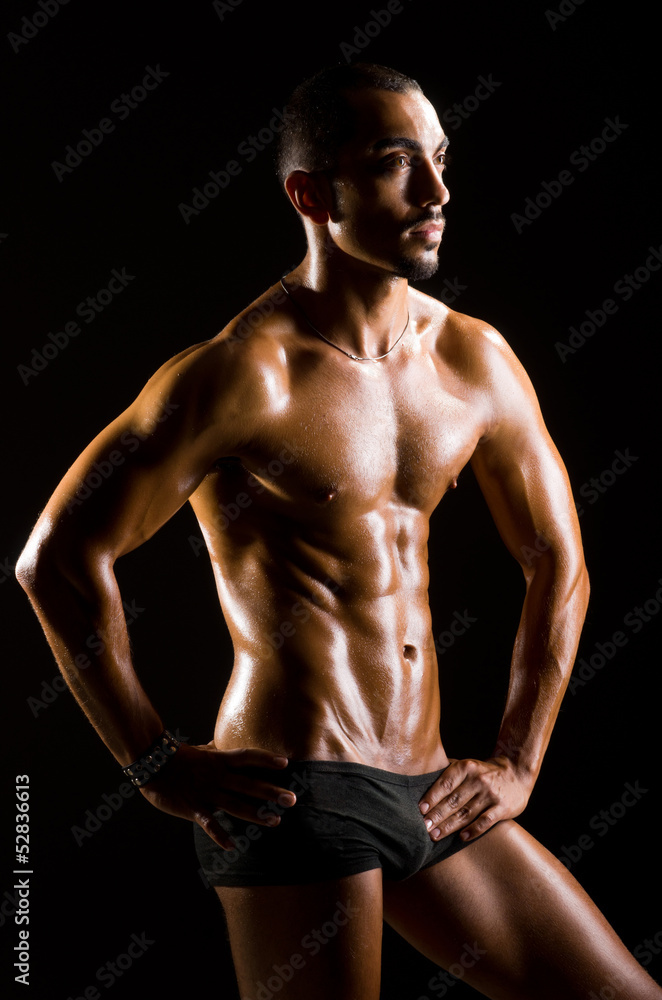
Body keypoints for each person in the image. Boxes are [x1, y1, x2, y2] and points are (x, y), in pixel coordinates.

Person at [16, 62, 661, 1000]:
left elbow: (556, 557)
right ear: (313, 193)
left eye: (441, 159)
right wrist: (153, 759)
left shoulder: (473, 358)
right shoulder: (242, 374)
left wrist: (520, 758)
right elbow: (57, 561)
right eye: (399, 163)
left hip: (432, 784)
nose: (438, 192)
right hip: (300, 790)